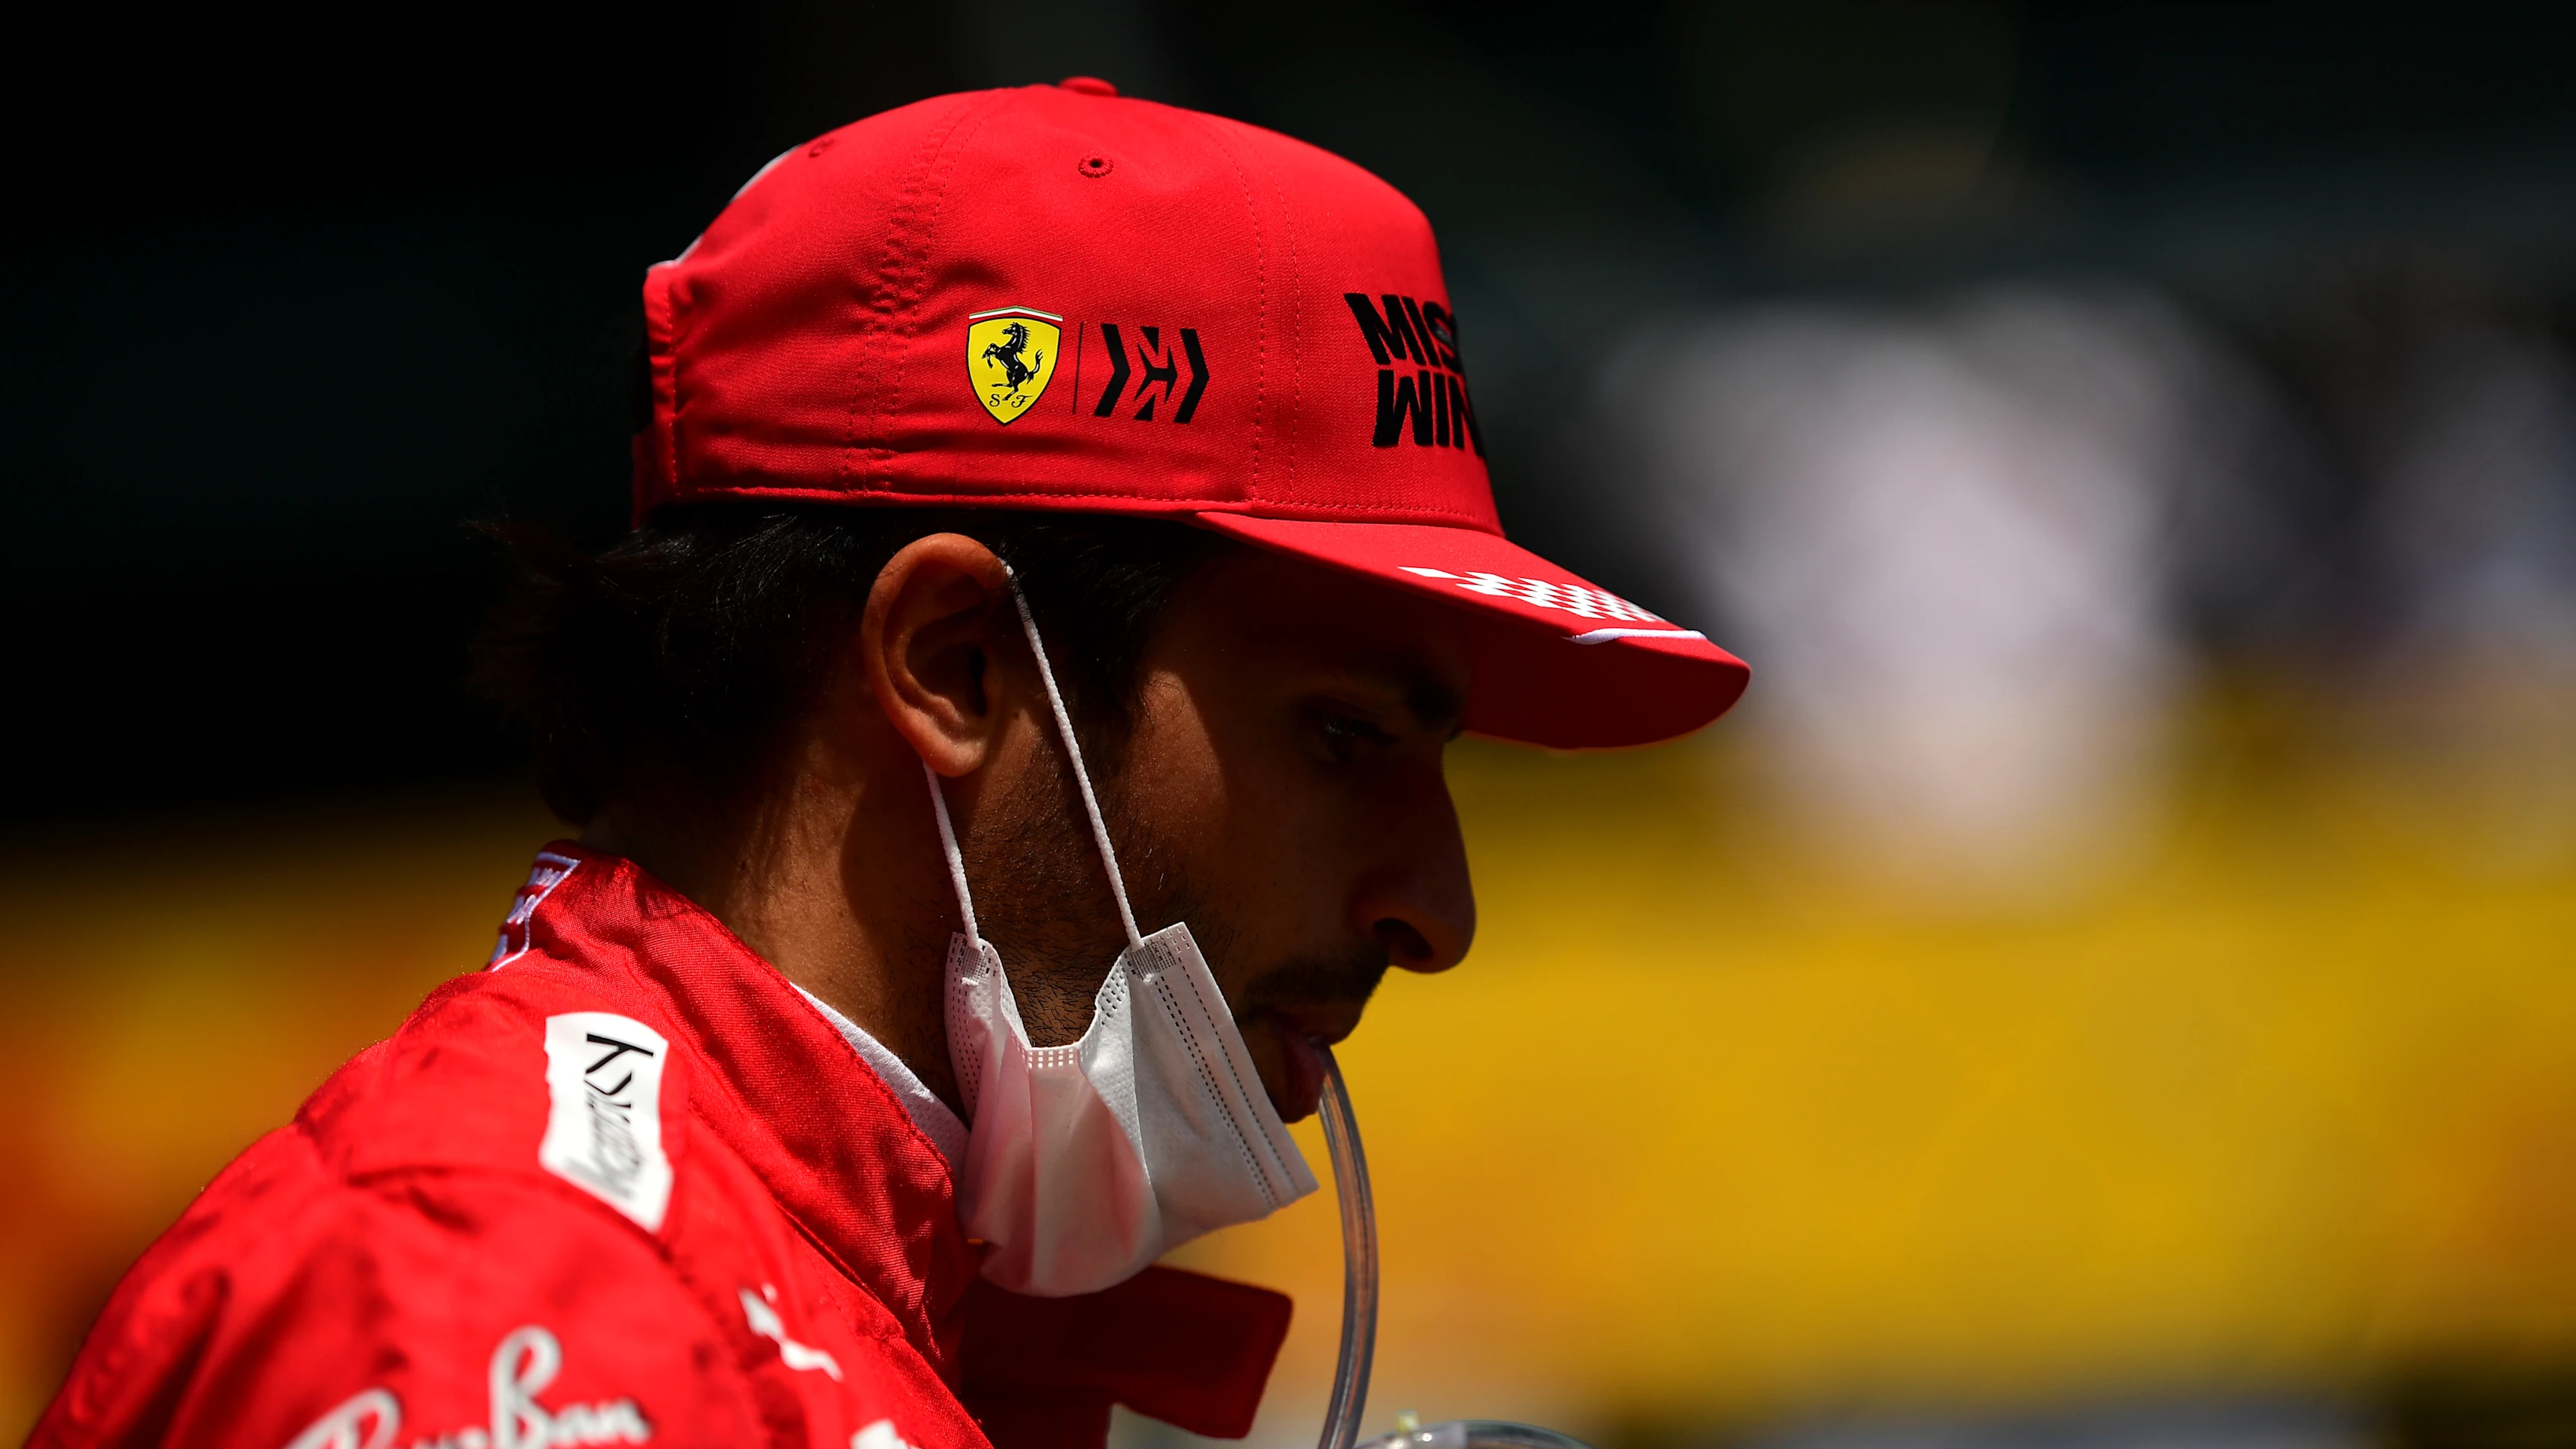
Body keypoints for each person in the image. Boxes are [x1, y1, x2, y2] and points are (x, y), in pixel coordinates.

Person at [33, 79, 1746, 1449]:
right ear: (954, 668)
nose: (1435, 908)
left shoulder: (845, 1283)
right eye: (1343, 734)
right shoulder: (527, 1320)